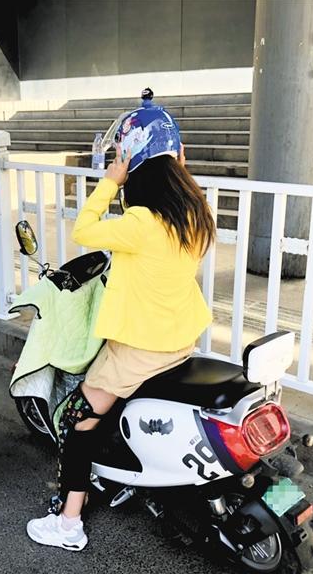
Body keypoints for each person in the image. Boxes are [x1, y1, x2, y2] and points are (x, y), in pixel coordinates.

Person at [26, 89, 216, 551]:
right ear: (178, 158)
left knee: (77, 420)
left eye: (121, 159)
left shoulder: (141, 223)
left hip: (138, 351)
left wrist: (110, 181)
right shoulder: (195, 212)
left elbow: (84, 229)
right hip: (181, 339)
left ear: (133, 164)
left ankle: (69, 523)